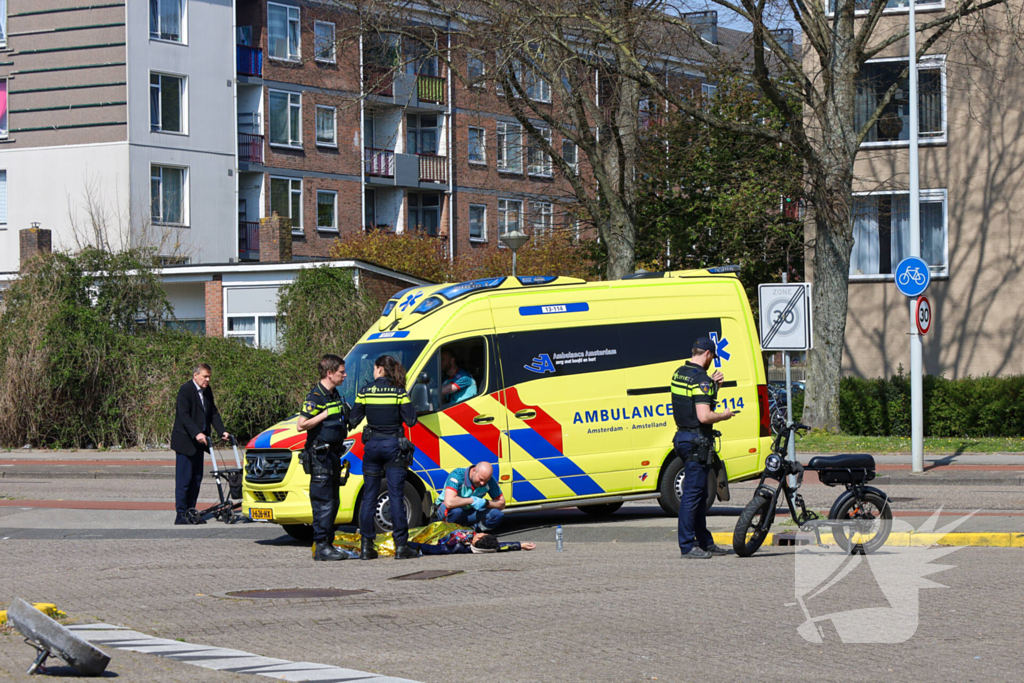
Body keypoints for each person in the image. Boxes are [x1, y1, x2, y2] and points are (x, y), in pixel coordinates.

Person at [349, 355, 419, 561]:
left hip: (372, 448)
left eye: (374, 368)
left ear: (380, 369)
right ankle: (401, 547)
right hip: (393, 447)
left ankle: (366, 547)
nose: (373, 371)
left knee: (369, 497)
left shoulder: (365, 391)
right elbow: (412, 420)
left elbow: (353, 419)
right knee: (396, 496)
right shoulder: (399, 392)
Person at [672, 337, 735, 559]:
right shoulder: (700, 379)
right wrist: (725, 416)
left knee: (701, 493)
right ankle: (688, 546)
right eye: (711, 357)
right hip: (697, 441)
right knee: (692, 495)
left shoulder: (680, 373)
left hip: (683, 437)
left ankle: (705, 542)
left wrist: (714, 387)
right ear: (707, 354)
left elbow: (691, 404)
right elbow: (704, 415)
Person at [296, 354, 350, 562]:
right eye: (341, 372)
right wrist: (325, 414)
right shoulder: (316, 397)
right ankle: (321, 547)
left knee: (333, 502)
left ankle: (328, 543)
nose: (344, 375)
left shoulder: (334, 394)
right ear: (329, 373)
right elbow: (301, 424)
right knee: (323, 503)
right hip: (320, 457)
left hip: (333, 455)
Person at [171, 363, 229, 525]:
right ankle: (181, 513)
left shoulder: (207, 391)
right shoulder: (185, 390)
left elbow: (213, 413)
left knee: (196, 478)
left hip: (200, 443)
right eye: (205, 376)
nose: (208, 379)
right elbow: (184, 416)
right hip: (185, 442)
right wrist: (196, 433)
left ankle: (191, 511)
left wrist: (222, 431)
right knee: (184, 479)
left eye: (209, 376)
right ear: (195, 375)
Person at [435, 462, 505, 531]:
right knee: (457, 512)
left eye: (486, 481)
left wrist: (485, 502)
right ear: (474, 471)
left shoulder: (490, 480)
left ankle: (473, 531)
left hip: (470, 510)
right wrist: (472, 500)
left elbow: (502, 504)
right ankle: (450, 532)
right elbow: (449, 502)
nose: (483, 483)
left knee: (497, 515)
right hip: (449, 510)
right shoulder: (457, 475)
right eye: (481, 479)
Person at [408, 528, 535, 556]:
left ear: (479, 538)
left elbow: (429, 548)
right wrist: (520, 545)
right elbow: (500, 547)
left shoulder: (455, 546)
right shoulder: (486, 547)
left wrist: (407, 545)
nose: (480, 532)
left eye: (482, 534)